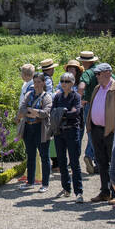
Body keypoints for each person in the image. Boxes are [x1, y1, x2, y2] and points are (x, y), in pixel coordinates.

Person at [88, 63, 115, 203]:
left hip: (111, 131)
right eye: (96, 74)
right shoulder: (97, 88)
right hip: (97, 129)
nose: (96, 76)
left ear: (107, 73)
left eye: (99, 74)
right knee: (101, 162)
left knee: (113, 162)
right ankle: (104, 191)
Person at [51, 72, 84, 202]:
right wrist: (64, 113)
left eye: (67, 81)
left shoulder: (76, 96)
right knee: (61, 161)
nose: (64, 83)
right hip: (59, 132)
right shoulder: (58, 97)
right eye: (62, 81)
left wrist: (62, 113)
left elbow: (75, 113)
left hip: (72, 131)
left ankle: (79, 192)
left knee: (74, 162)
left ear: (72, 83)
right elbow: (53, 112)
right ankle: (66, 188)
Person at [18, 73, 53, 192]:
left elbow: (46, 112)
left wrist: (32, 111)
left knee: (44, 156)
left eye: (39, 82)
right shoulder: (29, 94)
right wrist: (32, 112)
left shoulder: (47, 96)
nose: (37, 84)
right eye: (35, 82)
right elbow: (22, 109)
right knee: (31, 155)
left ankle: (45, 184)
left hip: (41, 129)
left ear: (43, 83)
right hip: (29, 127)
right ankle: (30, 181)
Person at [76, 50, 99, 174]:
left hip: (89, 105)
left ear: (84, 62)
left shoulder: (88, 73)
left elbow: (81, 87)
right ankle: (91, 156)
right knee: (98, 132)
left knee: (90, 132)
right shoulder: (102, 70)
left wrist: (79, 100)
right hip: (103, 106)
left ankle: (93, 157)